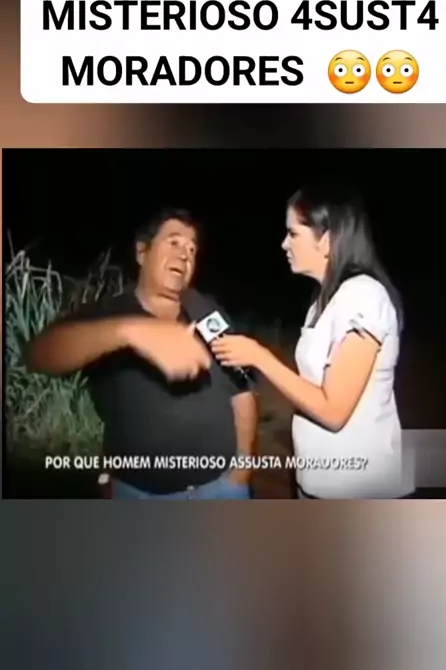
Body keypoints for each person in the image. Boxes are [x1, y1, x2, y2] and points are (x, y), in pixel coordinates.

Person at [26, 208, 258, 499]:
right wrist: (130, 332)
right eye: (174, 242)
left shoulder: (208, 312)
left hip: (220, 490)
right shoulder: (110, 313)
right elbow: (38, 356)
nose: (184, 254)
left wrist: (240, 473)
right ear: (141, 252)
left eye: (192, 249)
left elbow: (242, 391)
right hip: (139, 495)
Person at [212, 186, 411, 499]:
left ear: (327, 240)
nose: (284, 243)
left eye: (293, 233)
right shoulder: (323, 302)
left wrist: (260, 357)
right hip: (318, 486)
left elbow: (333, 410)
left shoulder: (364, 295)